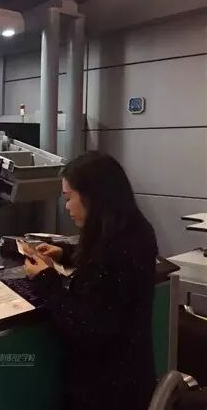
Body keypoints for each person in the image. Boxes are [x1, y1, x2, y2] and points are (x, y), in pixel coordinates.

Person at [22, 151, 158, 410]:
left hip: (105, 393)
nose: (66, 207)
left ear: (93, 196)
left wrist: (45, 278)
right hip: (133, 379)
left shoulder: (114, 251)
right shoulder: (134, 229)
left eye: (68, 197)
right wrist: (66, 253)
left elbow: (85, 326)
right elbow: (104, 272)